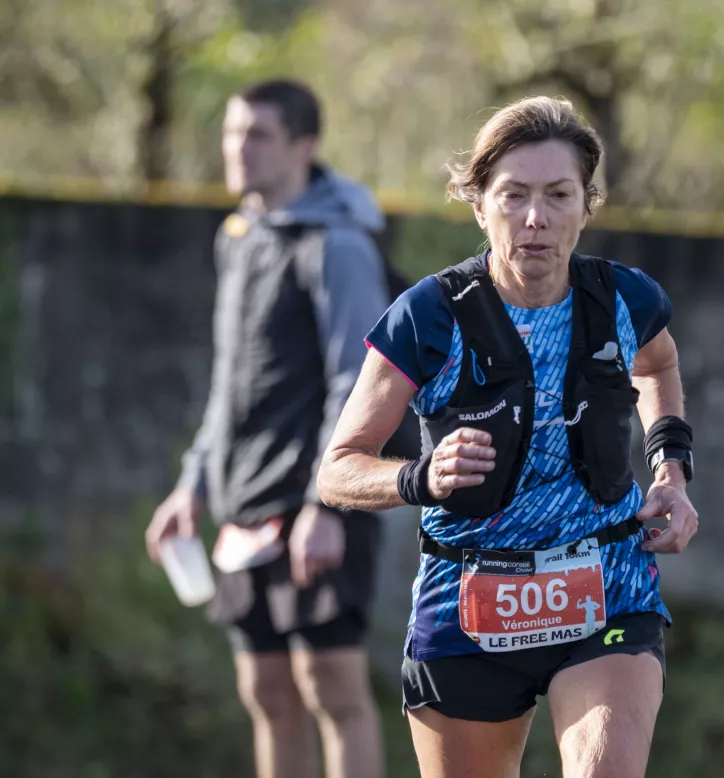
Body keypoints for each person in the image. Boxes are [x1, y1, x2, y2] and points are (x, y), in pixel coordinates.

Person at [316, 95, 699, 778]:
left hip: (607, 586)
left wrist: (670, 467)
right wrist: (421, 476)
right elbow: (338, 470)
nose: (535, 218)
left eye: (558, 195)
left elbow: (657, 363)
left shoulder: (623, 299)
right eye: (514, 195)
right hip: (469, 604)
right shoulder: (428, 316)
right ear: (479, 207)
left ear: (587, 206)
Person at [145, 79, 406, 778]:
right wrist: (192, 486)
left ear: (304, 145)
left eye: (258, 134)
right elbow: (229, 383)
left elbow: (360, 383)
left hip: (315, 503)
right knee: (264, 690)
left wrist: (328, 505)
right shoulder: (237, 237)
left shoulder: (339, 244)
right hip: (242, 503)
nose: (239, 148)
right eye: (233, 132)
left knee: (333, 688)